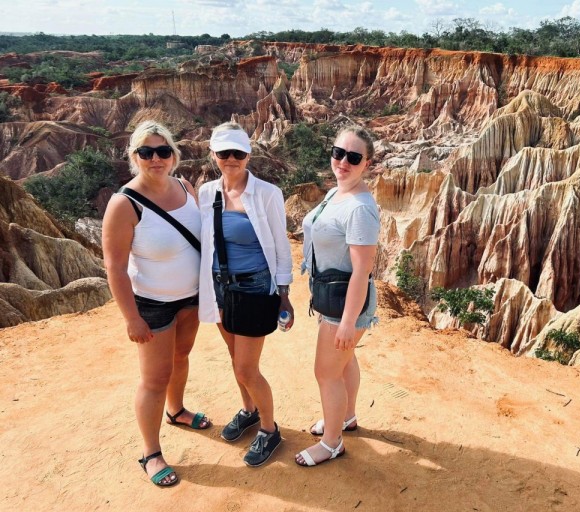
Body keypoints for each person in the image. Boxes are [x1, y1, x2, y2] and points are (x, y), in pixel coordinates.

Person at [102, 120, 210, 488]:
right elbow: (114, 266)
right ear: (134, 157)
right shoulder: (124, 204)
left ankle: (176, 410)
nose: (156, 159)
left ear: (174, 155)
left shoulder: (185, 187)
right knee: (153, 379)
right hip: (154, 304)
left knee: (181, 358)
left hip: (191, 299)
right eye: (146, 152)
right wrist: (131, 318)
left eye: (163, 151)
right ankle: (150, 453)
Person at [197, 122, 294, 467]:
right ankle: (249, 411)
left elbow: (281, 247)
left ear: (249, 155)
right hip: (220, 287)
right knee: (234, 358)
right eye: (224, 153)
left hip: (254, 287)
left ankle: (269, 429)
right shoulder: (207, 192)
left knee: (246, 368)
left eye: (238, 153)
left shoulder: (266, 193)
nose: (231, 159)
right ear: (214, 155)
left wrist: (283, 293)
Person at [296, 126, 380, 467]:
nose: (343, 162)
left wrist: (347, 321)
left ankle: (332, 443)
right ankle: (345, 417)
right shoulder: (337, 193)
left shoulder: (359, 208)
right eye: (338, 153)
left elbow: (362, 270)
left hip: (346, 302)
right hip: (333, 296)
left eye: (354, 157)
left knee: (326, 372)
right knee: (344, 362)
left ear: (367, 163)